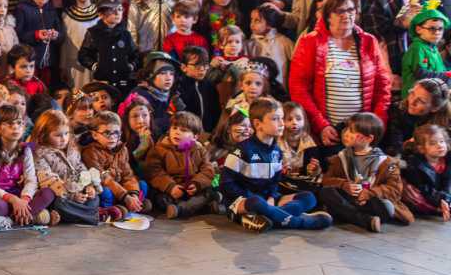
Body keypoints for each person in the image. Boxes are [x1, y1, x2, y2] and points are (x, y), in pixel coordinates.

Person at [290, 0, 391, 146]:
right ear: (328, 16)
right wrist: (321, 124)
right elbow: (298, 87)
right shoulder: (310, 42)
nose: (346, 15)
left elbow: (383, 86)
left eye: (351, 9)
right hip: (327, 131)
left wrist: (374, 125)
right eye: (339, 11)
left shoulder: (369, 42)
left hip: (362, 131)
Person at [218, 98, 333, 232]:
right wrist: (254, 198)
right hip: (242, 201)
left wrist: (272, 197)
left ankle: (270, 216)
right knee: (256, 201)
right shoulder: (242, 150)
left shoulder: (276, 151)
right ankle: (299, 222)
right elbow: (226, 184)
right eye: (275, 119)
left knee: (309, 198)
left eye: (281, 118)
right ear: (258, 124)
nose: (281, 123)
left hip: (267, 200)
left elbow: (275, 181)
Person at [319, 112, 412, 232]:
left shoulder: (385, 162)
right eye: (346, 128)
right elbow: (326, 180)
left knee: (386, 206)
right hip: (349, 199)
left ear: (368, 138)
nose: (346, 133)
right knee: (326, 192)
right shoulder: (341, 157)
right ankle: (365, 220)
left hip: (369, 202)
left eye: (351, 131)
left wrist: (369, 193)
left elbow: (395, 189)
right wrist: (344, 185)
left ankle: (348, 214)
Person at [0, 103, 57, 230]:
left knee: (48, 193)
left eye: (19, 123)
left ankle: (8, 221)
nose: (16, 127)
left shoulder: (25, 150)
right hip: (3, 199)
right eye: (9, 124)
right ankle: (30, 217)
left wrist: (24, 200)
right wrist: (13, 200)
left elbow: (31, 180)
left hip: (22, 198)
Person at [144, 111, 216, 219]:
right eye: (174, 128)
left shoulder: (200, 150)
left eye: (183, 130)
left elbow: (207, 169)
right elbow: (155, 172)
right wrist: (170, 187)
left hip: (192, 189)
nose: (177, 132)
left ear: (195, 136)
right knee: (159, 198)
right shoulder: (159, 149)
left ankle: (180, 210)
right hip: (171, 190)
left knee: (208, 192)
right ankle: (199, 208)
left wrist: (196, 184)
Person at [77, 0, 139, 95]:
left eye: (119, 9)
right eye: (111, 10)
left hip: (123, 83)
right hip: (103, 82)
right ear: (101, 14)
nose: (117, 13)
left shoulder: (125, 34)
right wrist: (95, 66)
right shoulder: (93, 33)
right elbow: (83, 55)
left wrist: (131, 66)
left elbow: (135, 55)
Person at [401, 124, 451, 219]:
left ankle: (445, 207)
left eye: (442, 141)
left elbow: (447, 185)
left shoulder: (448, 160)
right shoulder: (414, 164)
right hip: (426, 195)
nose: (439, 145)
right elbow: (424, 188)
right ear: (422, 148)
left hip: (441, 194)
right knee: (412, 193)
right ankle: (437, 210)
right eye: (433, 143)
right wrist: (440, 200)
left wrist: (445, 199)